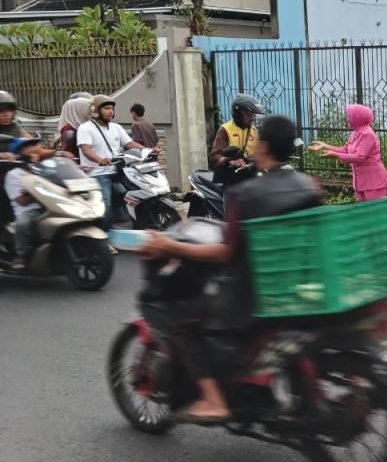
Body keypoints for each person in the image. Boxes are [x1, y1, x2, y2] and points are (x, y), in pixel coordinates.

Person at [139, 115, 321, 423]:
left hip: (251, 296)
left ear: (262, 146)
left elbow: (225, 253)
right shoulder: (309, 187)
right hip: (299, 283)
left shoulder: (246, 194)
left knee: (182, 319)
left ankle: (213, 399)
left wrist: (171, 246)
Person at [77, 95, 157, 234]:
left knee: (144, 192)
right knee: (105, 205)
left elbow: (129, 143)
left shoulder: (116, 127)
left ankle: (142, 227)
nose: (111, 112)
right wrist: (100, 159)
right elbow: (86, 150)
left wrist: (147, 149)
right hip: (99, 173)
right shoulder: (85, 128)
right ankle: (103, 236)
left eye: (112, 109)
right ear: (95, 110)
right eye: (107, 108)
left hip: (119, 169)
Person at [310, 104, 387, 201]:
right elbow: (346, 150)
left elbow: (359, 157)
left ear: (357, 118)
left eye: (350, 117)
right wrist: (325, 145)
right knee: (363, 212)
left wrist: (335, 155)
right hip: (361, 181)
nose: (347, 119)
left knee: (376, 211)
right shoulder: (355, 133)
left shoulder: (368, 134)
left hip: (373, 180)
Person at [4, 137, 45, 270]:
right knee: (22, 223)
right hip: (28, 210)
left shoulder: (42, 170)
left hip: (49, 206)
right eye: (27, 148)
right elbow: (22, 201)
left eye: (33, 146)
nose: (32, 150)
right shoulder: (14, 175)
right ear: (20, 154)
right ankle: (20, 255)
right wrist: (37, 192)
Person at [210, 94, 263, 170]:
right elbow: (215, 156)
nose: (253, 118)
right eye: (248, 115)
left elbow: (260, 151)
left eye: (254, 115)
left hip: (249, 171)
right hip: (230, 173)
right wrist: (230, 161)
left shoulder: (253, 130)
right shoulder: (226, 129)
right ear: (238, 114)